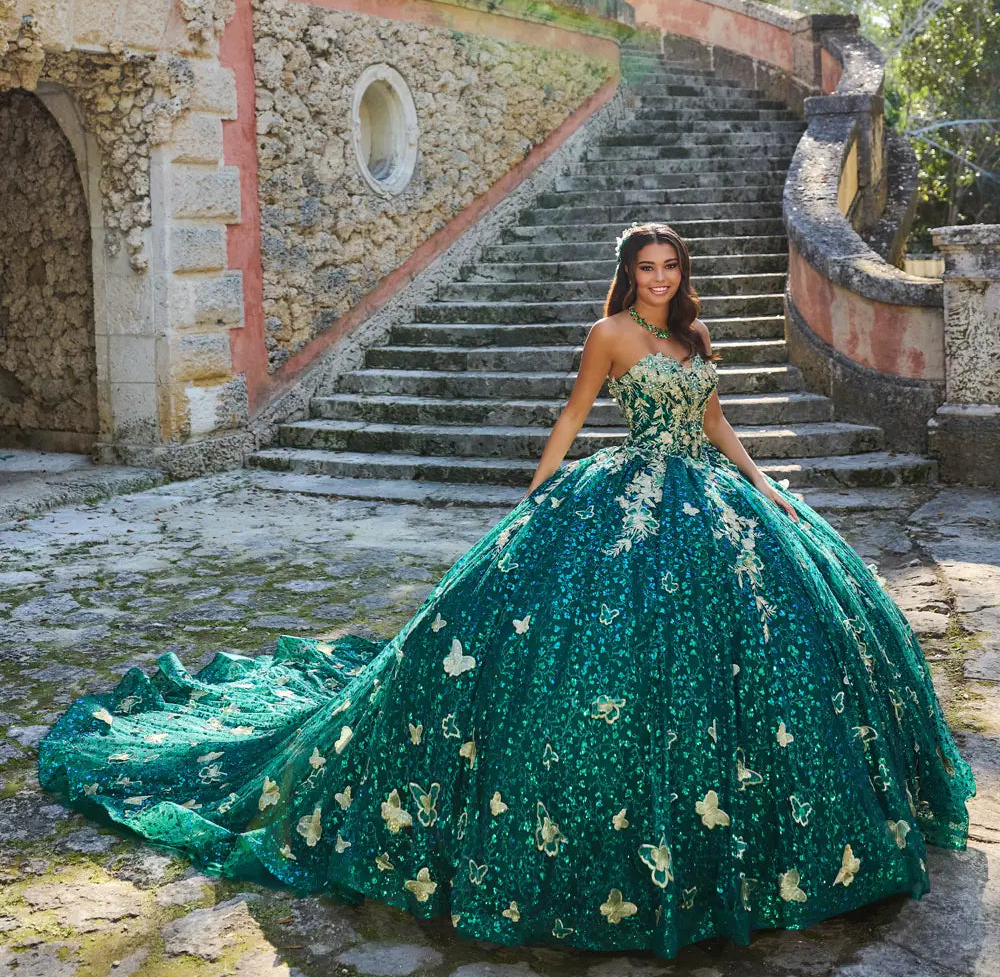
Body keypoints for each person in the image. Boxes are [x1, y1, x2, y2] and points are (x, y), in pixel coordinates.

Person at [37, 222, 976, 961]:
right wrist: (534, 501)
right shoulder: (608, 335)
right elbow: (573, 416)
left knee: (778, 642)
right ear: (629, 273)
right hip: (627, 498)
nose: (660, 277)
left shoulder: (694, 333)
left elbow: (718, 419)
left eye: (670, 266)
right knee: (593, 654)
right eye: (648, 267)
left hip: (714, 500)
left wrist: (764, 482)